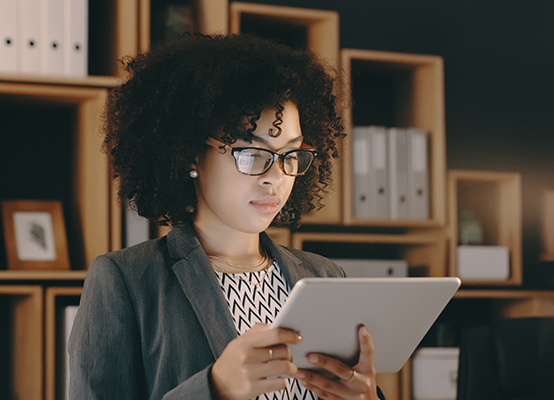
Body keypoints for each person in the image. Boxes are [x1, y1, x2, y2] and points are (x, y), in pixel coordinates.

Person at [69, 33, 385, 400]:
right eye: (252, 154)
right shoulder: (127, 281)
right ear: (190, 155)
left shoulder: (325, 275)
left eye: (291, 155)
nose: (276, 177)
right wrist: (214, 389)